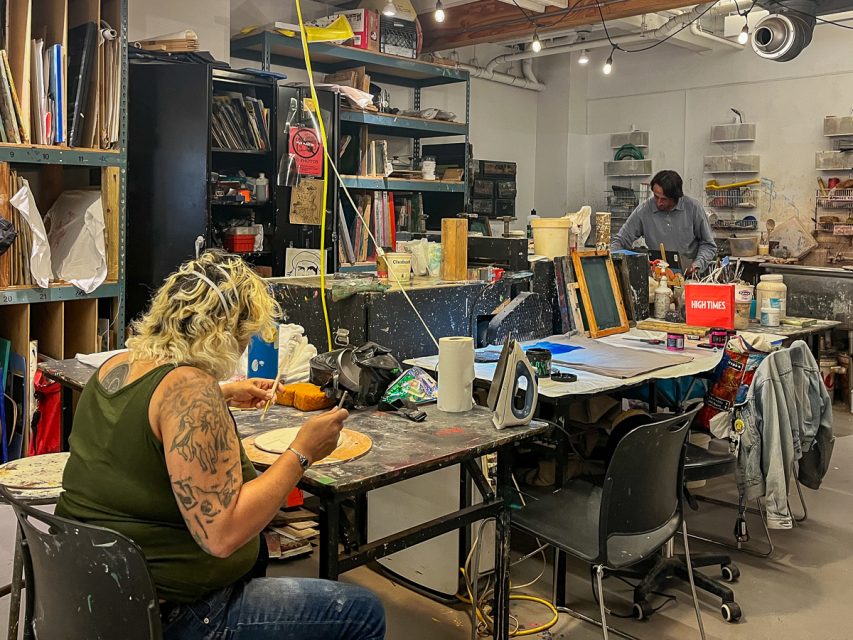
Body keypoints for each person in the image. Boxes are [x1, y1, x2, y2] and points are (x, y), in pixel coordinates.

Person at [56, 250, 386, 640]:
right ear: (224, 332)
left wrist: (223, 391)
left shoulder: (117, 366)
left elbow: (153, 415)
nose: (245, 347)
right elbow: (223, 534)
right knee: (364, 613)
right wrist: (303, 451)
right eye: (245, 336)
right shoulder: (189, 393)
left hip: (90, 592)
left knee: (259, 555)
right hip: (171, 614)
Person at [610, 170, 717, 275]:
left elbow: (708, 245)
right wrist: (612, 261)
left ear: (676, 197)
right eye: (656, 196)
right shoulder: (644, 210)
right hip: (658, 276)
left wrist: (696, 266)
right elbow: (621, 240)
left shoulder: (693, 208)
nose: (658, 202)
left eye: (664, 199)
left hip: (688, 276)